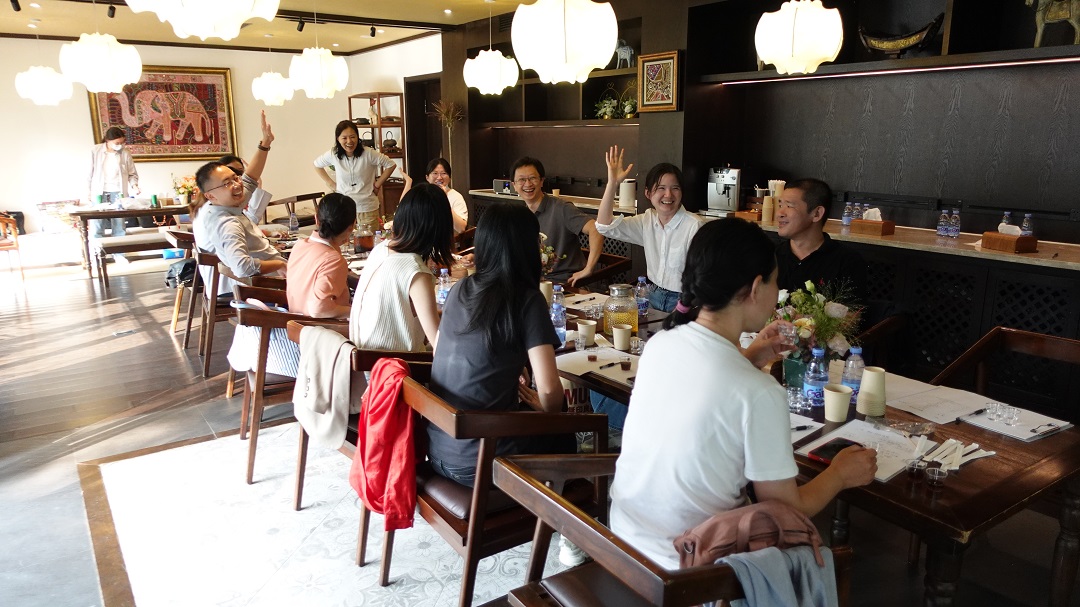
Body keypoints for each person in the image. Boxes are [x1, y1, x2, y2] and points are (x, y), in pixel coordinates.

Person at [610, 218, 877, 569]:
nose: (776, 291)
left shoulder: (661, 344)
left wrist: (753, 356)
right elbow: (786, 507)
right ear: (754, 288)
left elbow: (711, 390)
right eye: (775, 281)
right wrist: (839, 474)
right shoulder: (760, 393)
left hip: (624, 540)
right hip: (687, 569)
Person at [426, 201, 573, 487]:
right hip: (481, 461)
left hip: (439, 451)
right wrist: (547, 406)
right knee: (565, 426)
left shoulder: (460, 288)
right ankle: (555, 509)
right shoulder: (527, 299)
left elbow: (448, 351)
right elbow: (549, 393)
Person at [594, 145, 702, 313]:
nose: (668, 195)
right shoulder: (647, 220)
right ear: (648, 193)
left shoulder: (694, 225)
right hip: (652, 295)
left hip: (684, 301)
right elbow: (604, 226)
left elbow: (703, 276)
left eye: (675, 188)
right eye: (661, 188)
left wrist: (682, 309)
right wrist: (613, 183)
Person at [349, 183, 453, 353]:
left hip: (365, 360)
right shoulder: (415, 271)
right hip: (397, 366)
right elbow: (438, 346)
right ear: (438, 227)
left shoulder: (381, 249)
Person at [191, 110, 285, 298]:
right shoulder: (227, 222)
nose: (236, 184)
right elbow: (242, 267)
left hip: (255, 283)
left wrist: (265, 143)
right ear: (210, 195)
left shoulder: (222, 205)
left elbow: (250, 179)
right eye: (227, 182)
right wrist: (281, 264)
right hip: (256, 289)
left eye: (236, 177)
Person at [511, 157, 603, 286]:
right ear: (514, 185)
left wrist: (588, 269)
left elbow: (596, 229)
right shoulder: (520, 216)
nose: (527, 184)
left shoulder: (561, 208)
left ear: (541, 181)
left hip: (565, 285)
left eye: (532, 178)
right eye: (521, 180)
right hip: (535, 283)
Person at [775, 178, 868, 305]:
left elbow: (852, 314)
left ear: (817, 214)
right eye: (780, 205)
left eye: (789, 206)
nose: (779, 213)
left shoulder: (848, 261)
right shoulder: (769, 257)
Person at [313, 120, 397, 229]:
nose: (349, 141)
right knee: (345, 239)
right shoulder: (333, 154)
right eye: (344, 138)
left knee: (369, 239)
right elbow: (317, 165)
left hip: (367, 208)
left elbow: (391, 165)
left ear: (357, 137)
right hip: (343, 210)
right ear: (338, 139)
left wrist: (377, 185)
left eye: (352, 137)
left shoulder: (368, 153)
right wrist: (332, 184)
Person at [286, 193, 355, 319]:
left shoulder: (299, 245)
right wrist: (358, 312)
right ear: (351, 227)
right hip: (318, 327)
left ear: (316, 219)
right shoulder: (333, 260)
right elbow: (318, 309)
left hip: (295, 322)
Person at [86, 126, 140, 261]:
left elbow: (132, 174)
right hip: (99, 193)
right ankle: (98, 256)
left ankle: (119, 255)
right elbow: (88, 174)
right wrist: (87, 192)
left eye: (122, 142)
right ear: (107, 141)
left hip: (118, 192)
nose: (120, 145)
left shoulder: (125, 153)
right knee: (97, 226)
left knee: (119, 226)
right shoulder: (95, 151)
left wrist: (135, 186)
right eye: (117, 143)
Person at [400, 158, 469, 234]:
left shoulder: (456, 196)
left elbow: (461, 228)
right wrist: (408, 182)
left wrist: (443, 199)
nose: (439, 177)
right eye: (435, 173)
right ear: (427, 177)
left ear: (449, 178)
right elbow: (403, 210)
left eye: (443, 173)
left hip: (444, 239)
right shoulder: (423, 194)